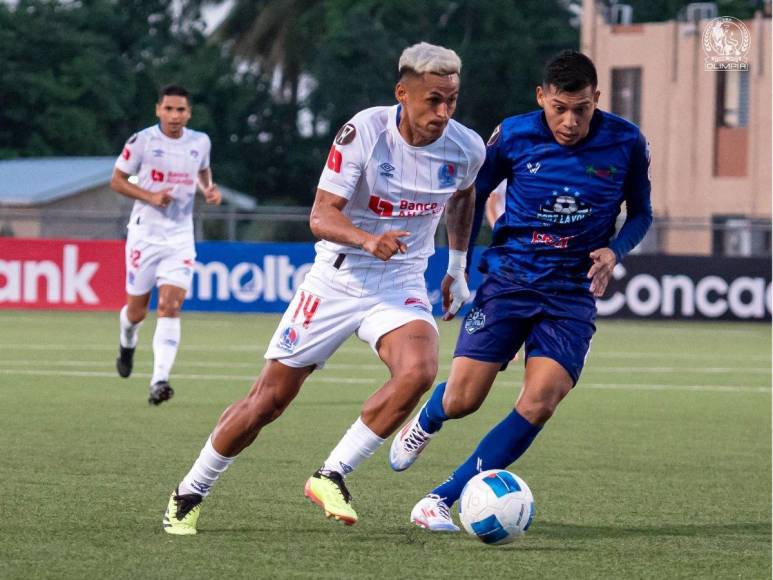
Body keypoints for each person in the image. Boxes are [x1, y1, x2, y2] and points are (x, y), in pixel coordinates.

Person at [162, 42, 485, 535]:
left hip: (400, 282)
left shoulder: (467, 148)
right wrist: (368, 240)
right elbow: (320, 215)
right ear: (403, 93)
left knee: (419, 370)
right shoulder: (365, 133)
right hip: (337, 277)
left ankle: (331, 473)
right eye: (433, 100)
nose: (443, 112)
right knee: (267, 402)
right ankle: (190, 490)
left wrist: (457, 266)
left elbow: (464, 197)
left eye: (452, 101)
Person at [389, 50, 653, 531]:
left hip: (571, 293)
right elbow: (469, 194)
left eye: (582, 109)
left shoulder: (627, 142)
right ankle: (429, 418)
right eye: (559, 108)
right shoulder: (512, 134)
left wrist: (615, 250)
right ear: (541, 98)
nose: (570, 121)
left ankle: (440, 499)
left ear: (597, 98)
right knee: (465, 398)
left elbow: (641, 213)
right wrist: (458, 266)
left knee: (540, 400)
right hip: (509, 280)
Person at [111, 85, 221, 405]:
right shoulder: (142, 141)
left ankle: (159, 379)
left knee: (170, 306)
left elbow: (202, 170)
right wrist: (150, 197)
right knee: (136, 312)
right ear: (158, 109)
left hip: (179, 237)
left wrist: (209, 189)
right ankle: (127, 341)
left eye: (181, 110)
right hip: (145, 235)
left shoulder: (200, 142)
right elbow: (116, 180)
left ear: (189, 113)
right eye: (169, 109)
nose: (175, 116)